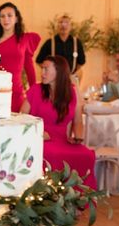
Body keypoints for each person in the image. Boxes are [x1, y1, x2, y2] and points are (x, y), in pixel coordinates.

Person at [21, 56, 97, 189]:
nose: (42, 73)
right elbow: (21, 118)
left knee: (86, 155)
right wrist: (38, 133)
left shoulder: (72, 91)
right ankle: (48, 196)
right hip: (40, 137)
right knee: (50, 153)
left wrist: (78, 138)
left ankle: (75, 199)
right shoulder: (35, 89)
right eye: (42, 69)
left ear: (59, 71)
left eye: (46, 69)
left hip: (62, 139)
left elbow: (78, 122)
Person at [0, 2, 41, 112]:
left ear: (16, 19)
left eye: (10, 15)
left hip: (16, 92)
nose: (6, 19)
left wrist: (35, 92)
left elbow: (29, 67)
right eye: (2, 16)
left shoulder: (24, 39)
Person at [36, 13, 86, 81]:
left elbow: (81, 62)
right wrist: (48, 71)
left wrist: (72, 72)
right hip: (54, 80)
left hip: (70, 79)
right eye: (61, 22)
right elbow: (39, 60)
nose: (63, 25)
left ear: (70, 27)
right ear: (57, 26)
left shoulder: (77, 43)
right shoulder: (50, 42)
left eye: (66, 23)